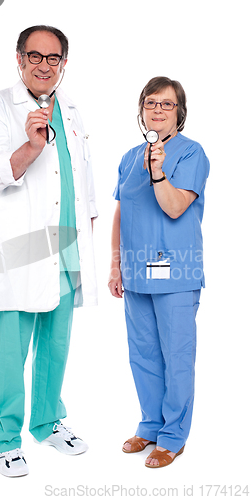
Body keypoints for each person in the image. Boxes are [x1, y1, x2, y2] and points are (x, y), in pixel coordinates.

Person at [0, 25, 98, 477]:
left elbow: (81, 179)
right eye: (35, 56)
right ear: (19, 59)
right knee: (9, 347)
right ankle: (5, 439)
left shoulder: (72, 110)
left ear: (64, 64)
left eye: (53, 58)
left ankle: (47, 422)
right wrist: (31, 144)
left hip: (67, 244)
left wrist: (89, 238)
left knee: (56, 342)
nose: (44, 65)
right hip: (21, 249)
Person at [109, 77, 209, 468]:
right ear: (142, 109)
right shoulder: (130, 156)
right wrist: (116, 264)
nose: (158, 109)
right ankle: (150, 425)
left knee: (176, 355)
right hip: (136, 274)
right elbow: (121, 210)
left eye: (167, 104)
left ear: (179, 113)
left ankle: (173, 436)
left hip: (177, 273)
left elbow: (173, 207)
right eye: (151, 102)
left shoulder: (190, 153)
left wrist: (158, 171)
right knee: (144, 355)